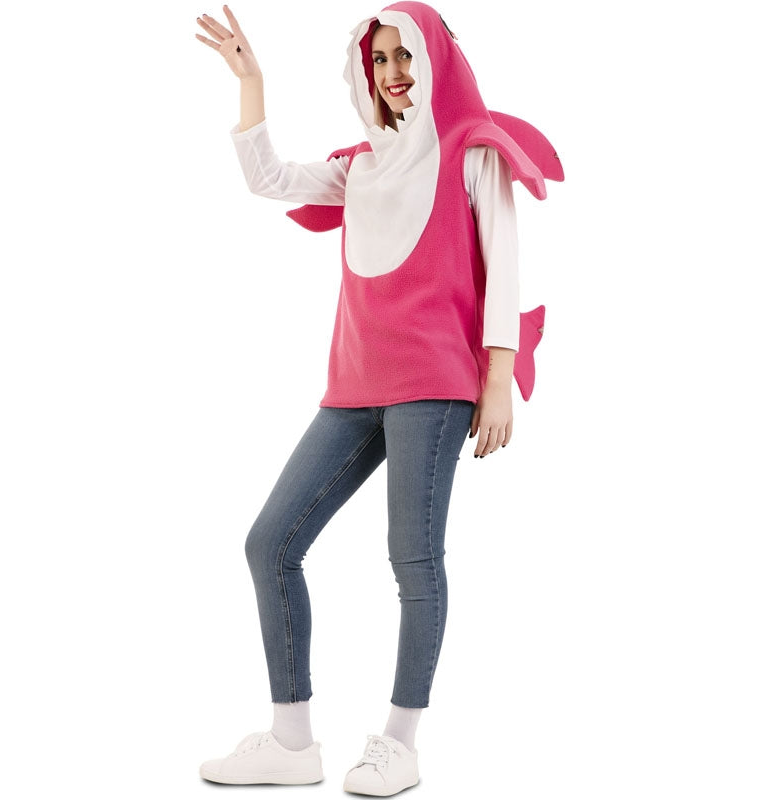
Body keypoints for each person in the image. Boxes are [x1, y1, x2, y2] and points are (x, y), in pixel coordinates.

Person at [194, 2, 559, 795]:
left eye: (405, 55)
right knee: (271, 543)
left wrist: (498, 379)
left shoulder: (474, 151)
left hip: (435, 388)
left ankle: (400, 744)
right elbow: (267, 178)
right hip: (353, 388)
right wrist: (252, 83)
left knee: (413, 559)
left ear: (437, 61)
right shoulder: (360, 165)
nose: (393, 72)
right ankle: (292, 742)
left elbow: (504, 260)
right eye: (380, 59)